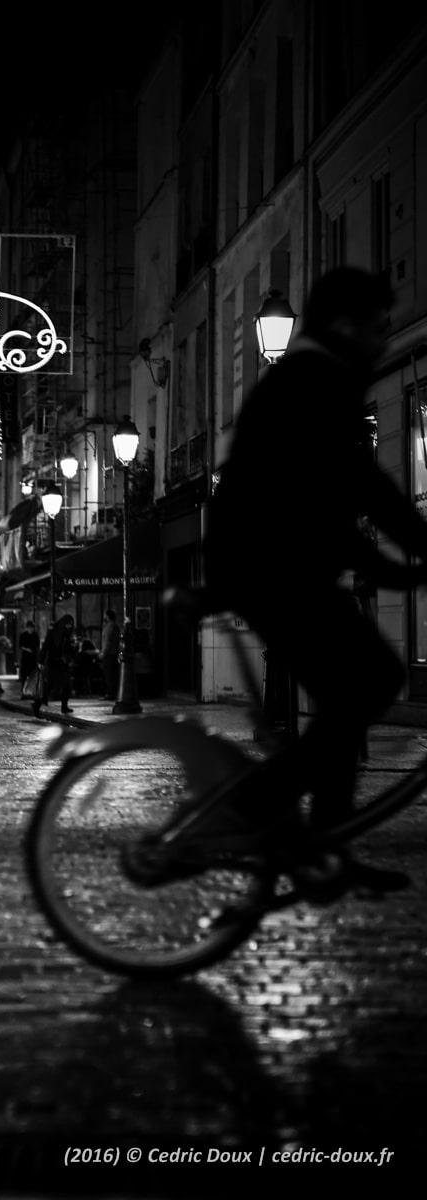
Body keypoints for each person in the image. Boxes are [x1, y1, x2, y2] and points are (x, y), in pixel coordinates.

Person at [202, 266, 427, 890]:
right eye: (379, 326)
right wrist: (400, 558)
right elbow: (353, 484)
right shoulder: (314, 379)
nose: (385, 338)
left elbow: (342, 487)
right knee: (370, 681)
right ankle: (256, 815)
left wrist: (395, 556)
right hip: (269, 565)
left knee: (353, 691)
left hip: (276, 561)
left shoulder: (315, 376)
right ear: (346, 325)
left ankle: (325, 847)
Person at [33, 613, 77, 717]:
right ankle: (37, 706)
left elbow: (69, 650)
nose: (69, 626)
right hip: (53, 663)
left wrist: (72, 653)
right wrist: (40, 661)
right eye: (68, 624)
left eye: (71, 624)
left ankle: (64, 706)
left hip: (63, 664)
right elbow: (45, 647)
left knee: (67, 686)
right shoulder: (54, 633)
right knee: (49, 687)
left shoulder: (68, 635)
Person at [102, 610, 121, 700]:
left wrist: (103, 653)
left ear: (108, 616)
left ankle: (110, 693)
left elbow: (108, 643)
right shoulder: (116, 626)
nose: (104, 617)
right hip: (114, 654)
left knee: (109, 675)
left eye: (105, 615)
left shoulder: (109, 627)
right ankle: (113, 693)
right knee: (113, 675)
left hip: (109, 655)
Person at [18, 620, 40, 697]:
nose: (30, 630)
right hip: (25, 658)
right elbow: (20, 646)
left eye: (32, 628)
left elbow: (37, 646)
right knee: (24, 676)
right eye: (29, 628)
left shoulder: (35, 635)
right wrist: (27, 649)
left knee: (33, 675)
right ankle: (23, 692)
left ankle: (31, 691)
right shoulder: (23, 635)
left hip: (33, 658)